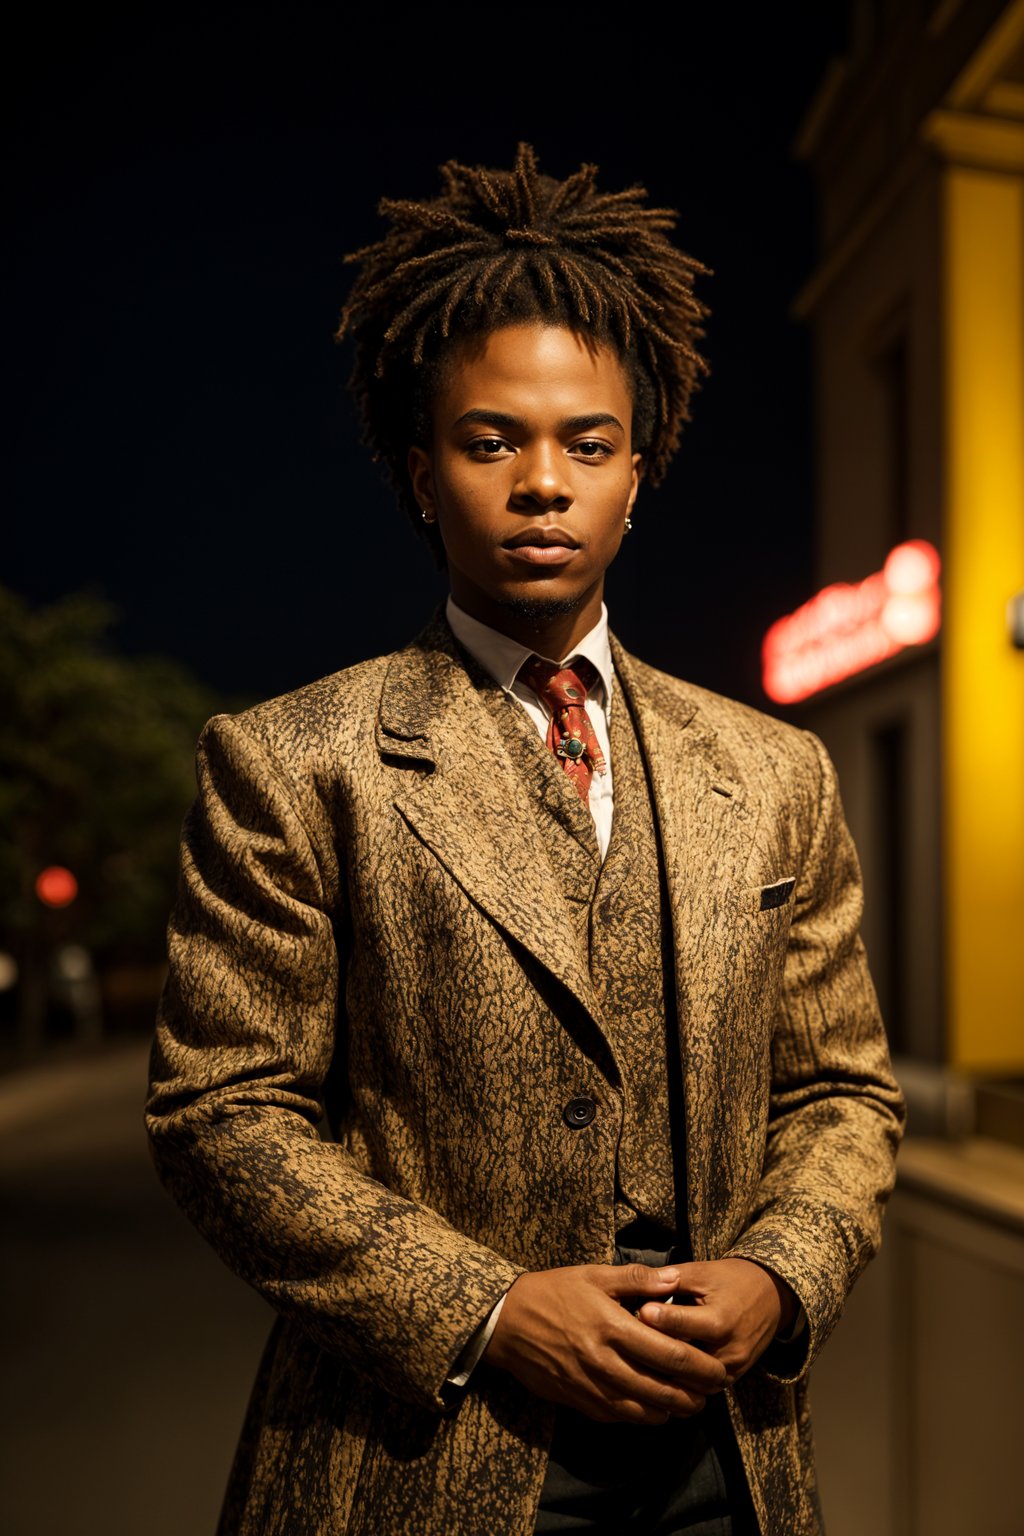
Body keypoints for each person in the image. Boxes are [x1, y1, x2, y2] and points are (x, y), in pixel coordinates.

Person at [145, 144, 905, 1536]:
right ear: (419, 471)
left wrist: (782, 1273)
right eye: (492, 441)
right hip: (419, 1455)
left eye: (587, 445)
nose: (542, 483)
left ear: (638, 469)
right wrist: (486, 1309)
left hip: (723, 1463)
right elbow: (221, 1116)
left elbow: (844, 1095)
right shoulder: (292, 762)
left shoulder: (774, 767)